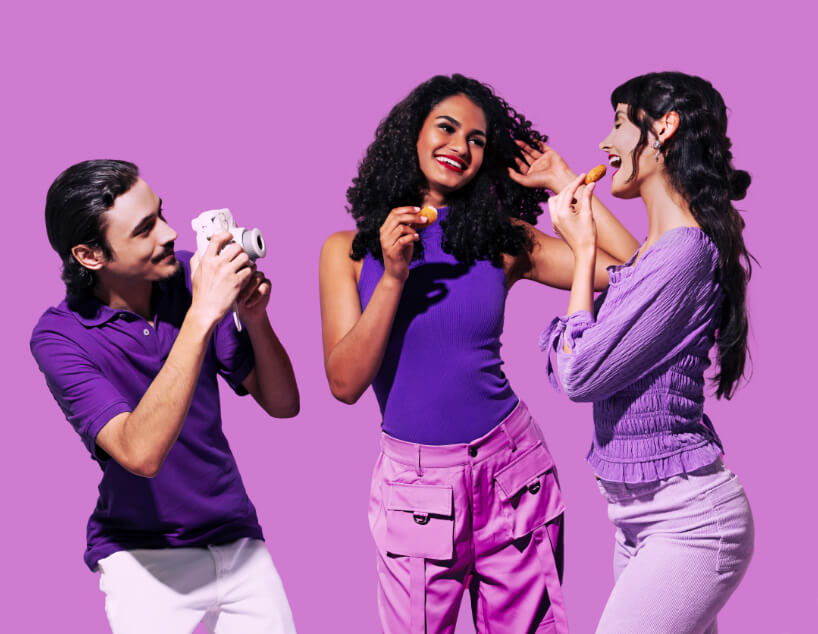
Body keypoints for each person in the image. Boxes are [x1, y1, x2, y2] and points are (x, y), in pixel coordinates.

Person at [319, 74, 638, 633]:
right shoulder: (346, 251)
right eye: (447, 128)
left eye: (477, 140)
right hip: (414, 488)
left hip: (513, 472)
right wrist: (394, 275)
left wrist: (564, 180)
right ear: (411, 135)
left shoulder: (502, 240)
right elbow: (345, 384)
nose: (460, 147)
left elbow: (634, 269)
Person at [30, 160, 300, 634]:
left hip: (236, 538)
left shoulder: (186, 282)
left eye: (161, 213)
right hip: (141, 556)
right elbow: (140, 452)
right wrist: (202, 314)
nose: (170, 233)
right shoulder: (59, 337)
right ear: (91, 256)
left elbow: (283, 405)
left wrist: (254, 319)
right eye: (145, 229)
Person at [541, 71, 755, 633]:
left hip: (689, 523)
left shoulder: (683, 254)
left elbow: (579, 374)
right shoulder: (659, 254)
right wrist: (562, 182)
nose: (606, 144)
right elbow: (631, 272)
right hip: (635, 520)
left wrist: (582, 249)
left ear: (663, 126)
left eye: (617, 123)